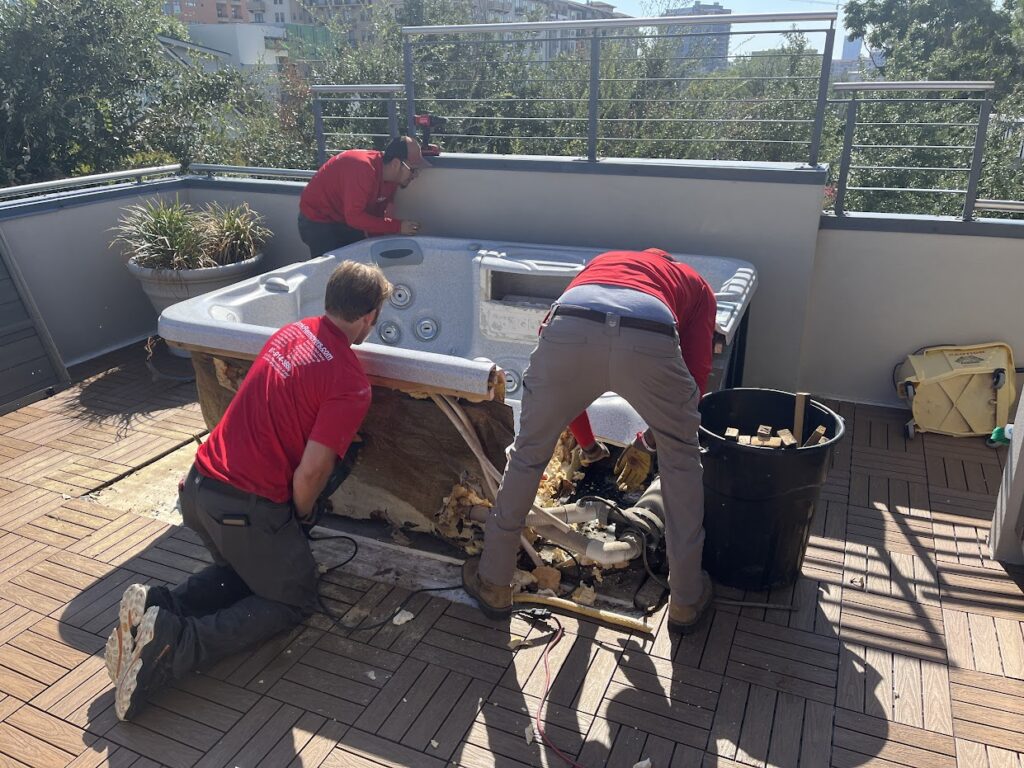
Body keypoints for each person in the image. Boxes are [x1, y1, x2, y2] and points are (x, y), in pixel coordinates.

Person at [104, 260, 392, 721]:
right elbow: (311, 473)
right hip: (242, 507)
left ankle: (158, 609)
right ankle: (173, 647)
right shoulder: (349, 381)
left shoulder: (291, 334)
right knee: (290, 599)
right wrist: (295, 521)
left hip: (198, 489)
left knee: (249, 572)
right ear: (369, 316)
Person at [462, 248, 718, 634]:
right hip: (651, 334)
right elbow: (696, 377)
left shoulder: (600, 264)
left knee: (529, 455)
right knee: (682, 464)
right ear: (668, 267)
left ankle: (494, 581)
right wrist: (649, 442)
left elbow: (562, 377)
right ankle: (685, 599)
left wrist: (587, 444)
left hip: (573, 323)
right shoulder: (695, 285)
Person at [297, 135, 430, 260]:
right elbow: (354, 217)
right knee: (329, 270)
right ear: (396, 164)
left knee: (360, 264)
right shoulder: (363, 169)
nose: (415, 175)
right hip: (317, 218)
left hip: (343, 218)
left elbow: (377, 219)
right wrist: (398, 227)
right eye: (413, 169)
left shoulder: (392, 180)